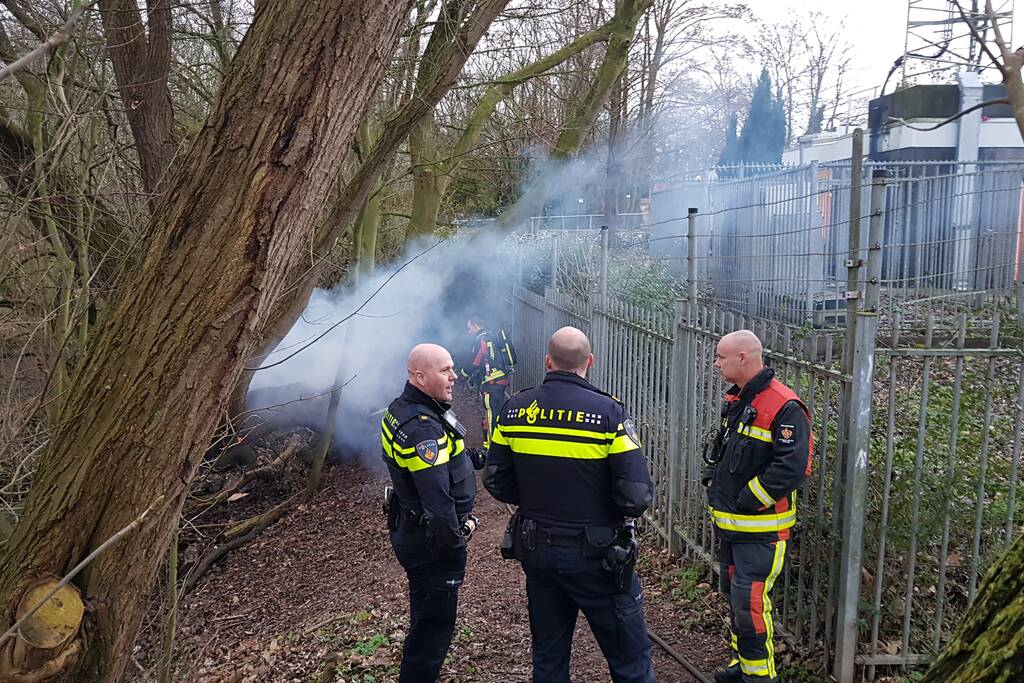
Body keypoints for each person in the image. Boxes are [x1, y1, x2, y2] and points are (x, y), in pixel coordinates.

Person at [483, 326, 656, 683]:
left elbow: (495, 480)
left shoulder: (514, 409)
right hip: (598, 558)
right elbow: (636, 495)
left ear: (548, 361)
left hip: (537, 552)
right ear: (589, 362)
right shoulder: (608, 414)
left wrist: (533, 496)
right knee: (630, 660)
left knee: (548, 657)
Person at [702, 330, 813, 683]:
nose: (717, 363)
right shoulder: (740, 399)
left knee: (750, 606)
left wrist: (749, 499)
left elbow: (793, 468)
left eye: (721, 357)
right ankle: (744, 666)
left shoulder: (784, 406)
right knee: (737, 602)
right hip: (734, 529)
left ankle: (760, 677)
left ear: (744, 359)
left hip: (760, 532)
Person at [380, 343, 482, 683]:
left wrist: (478, 459)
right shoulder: (423, 428)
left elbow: (449, 454)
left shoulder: (408, 408)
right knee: (433, 630)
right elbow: (438, 507)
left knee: (425, 615)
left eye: (452, 368)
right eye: (445, 371)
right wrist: (455, 545)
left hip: (413, 530)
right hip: (431, 543)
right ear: (420, 377)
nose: (454, 376)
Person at [460, 316, 512, 451]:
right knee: (495, 413)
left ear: (476, 326)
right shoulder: (491, 337)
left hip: (491, 383)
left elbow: (474, 362)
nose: (468, 331)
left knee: (491, 415)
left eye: (469, 328)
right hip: (500, 380)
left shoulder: (480, 340)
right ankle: (490, 444)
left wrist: (462, 375)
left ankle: (491, 448)